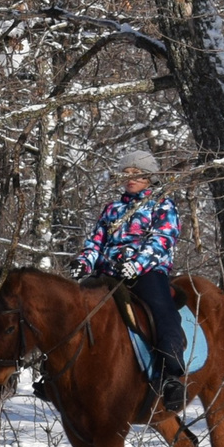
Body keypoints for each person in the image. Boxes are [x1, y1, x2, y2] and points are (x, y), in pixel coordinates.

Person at [73, 162, 187, 411]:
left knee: (162, 311)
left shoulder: (162, 205)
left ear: (150, 177)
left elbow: (163, 239)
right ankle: (57, 372)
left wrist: (137, 264)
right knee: (73, 307)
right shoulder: (112, 209)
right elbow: (96, 241)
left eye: (137, 174)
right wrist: (84, 262)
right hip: (106, 273)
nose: (130, 178)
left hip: (146, 272)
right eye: (126, 174)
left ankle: (170, 376)